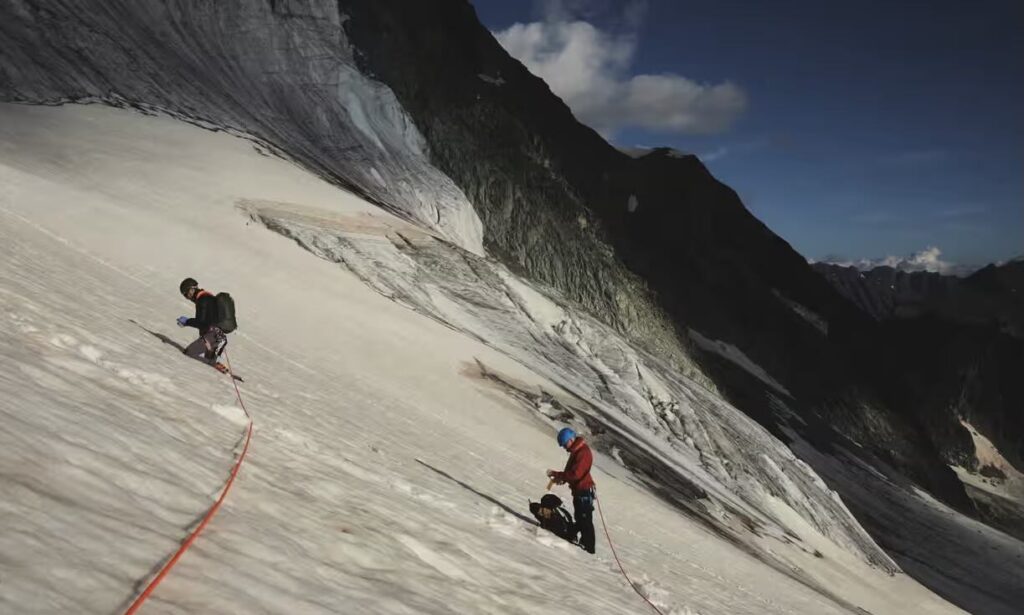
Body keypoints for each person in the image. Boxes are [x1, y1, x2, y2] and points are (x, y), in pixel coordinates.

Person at [547, 427, 596, 554]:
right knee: (581, 519)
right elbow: (572, 473)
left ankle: (589, 549)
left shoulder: (582, 453)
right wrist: (562, 478)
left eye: (565, 444)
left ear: (571, 439)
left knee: (585, 521)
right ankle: (582, 544)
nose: (565, 448)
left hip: (584, 491)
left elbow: (575, 474)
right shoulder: (577, 451)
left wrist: (559, 475)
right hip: (581, 491)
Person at [177, 277, 236, 372]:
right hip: (216, 334)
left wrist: (187, 321)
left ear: (192, 289)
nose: (187, 297)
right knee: (208, 360)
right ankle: (218, 368)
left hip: (212, 335)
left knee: (189, 353)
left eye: (186, 294)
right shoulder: (208, 297)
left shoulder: (203, 300)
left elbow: (201, 323)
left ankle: (215, 364)